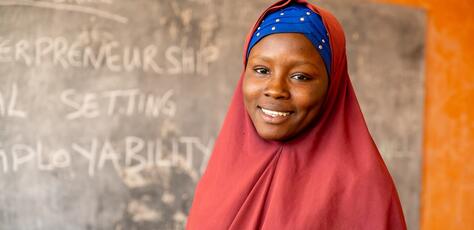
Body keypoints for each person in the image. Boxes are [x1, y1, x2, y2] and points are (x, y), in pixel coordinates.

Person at [186, 0, 407, 229]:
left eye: (300, 76)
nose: (275, 90)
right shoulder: (221, 175)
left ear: (332, 85)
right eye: (262, 70)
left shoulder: (362, 189)